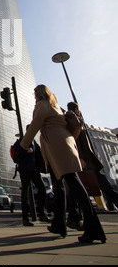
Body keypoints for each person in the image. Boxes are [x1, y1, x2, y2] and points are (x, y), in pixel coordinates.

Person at [19, 85, 106, 243]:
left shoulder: (42, 104)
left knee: (74, 184)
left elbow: (36, 124)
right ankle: (59, 224)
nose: (34, 97)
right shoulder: (55, 106)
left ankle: (93, 229)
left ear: (38, 94)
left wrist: (22, 145)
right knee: (58, 187)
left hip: (57, 148)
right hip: (61, 147)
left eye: (34, 94)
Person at [16, 131, 50, 226]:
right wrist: (26, 151)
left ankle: (41, 213)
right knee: (25, 192)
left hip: (34, 170)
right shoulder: (23, 139)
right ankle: (25, 218)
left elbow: (39, 155)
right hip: (25, 169)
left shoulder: (34, 142)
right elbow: (17, 149)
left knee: (42, 188)